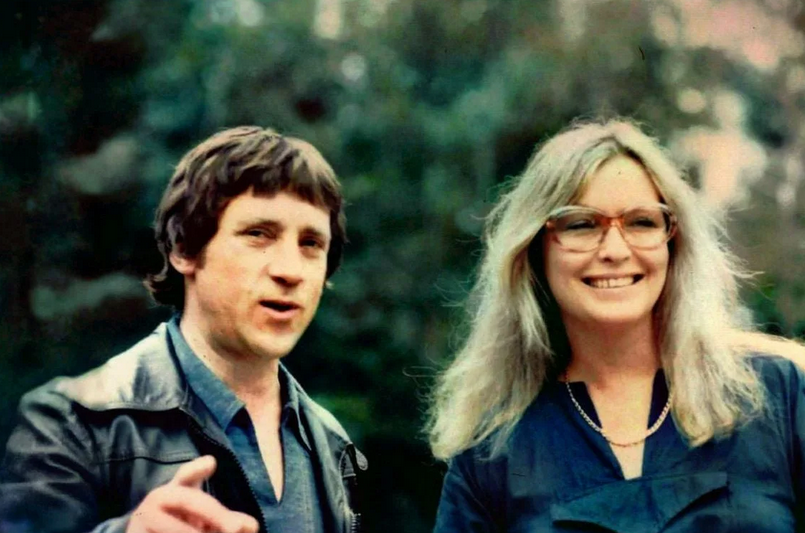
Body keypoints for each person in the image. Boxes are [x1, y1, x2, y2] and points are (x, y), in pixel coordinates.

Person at [428, 118, 805, 532]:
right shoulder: (491, 449)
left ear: (673, 242)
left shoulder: (778, 395)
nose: (614, 250)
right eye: (581, 224)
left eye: (641, 222)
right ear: (535, 250)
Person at [0, 127, 367, 533]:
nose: (290, 270)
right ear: (183, 249)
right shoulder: (72, 421)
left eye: (311, 243)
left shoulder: (331, 444)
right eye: (258, 234)